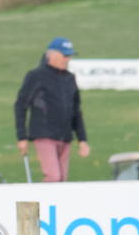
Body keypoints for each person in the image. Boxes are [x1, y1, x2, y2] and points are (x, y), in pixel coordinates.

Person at [15, 36, 90, 183]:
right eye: (65, 55)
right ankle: (40, 204)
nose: (67, 59)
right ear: (52, 54)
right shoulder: (36, 76)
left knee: (62, 180)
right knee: (54, 177)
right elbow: (20, 105)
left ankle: (57, 206)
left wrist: (82, 139)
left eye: (70, 56)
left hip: (65, 136)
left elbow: (76, 110)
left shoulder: (70, 78)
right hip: (44, 135)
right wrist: (22, 136)